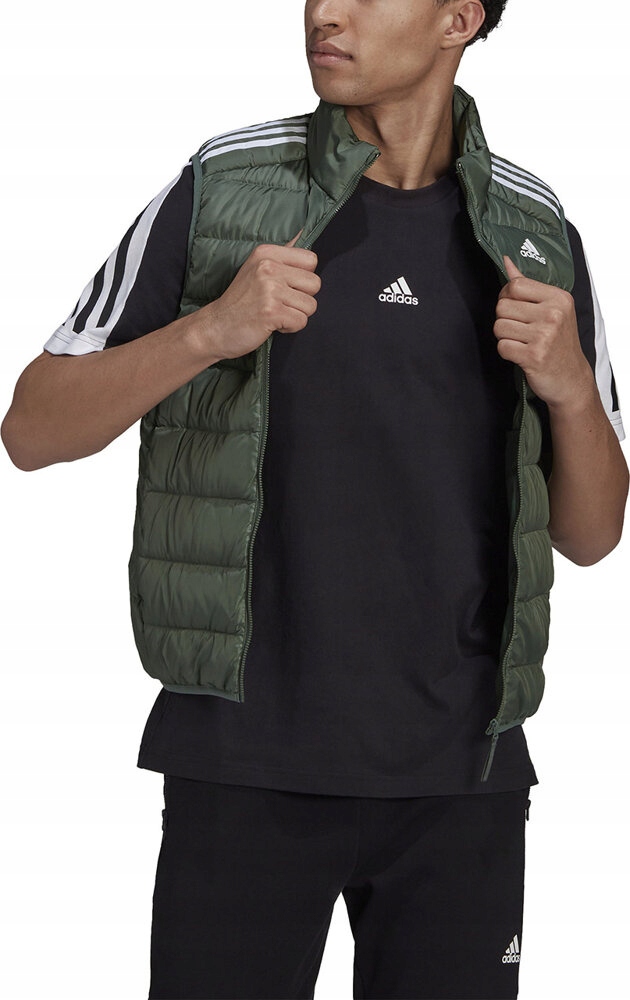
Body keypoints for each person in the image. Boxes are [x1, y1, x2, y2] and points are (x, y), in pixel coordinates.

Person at [2, 1, 628, 997]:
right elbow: (31, 429)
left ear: (458, 19)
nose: (325, 12)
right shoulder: (225, 186)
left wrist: (570, 391)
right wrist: (211, 329)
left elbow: (592, 536)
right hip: (243, 764)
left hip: (462, 780)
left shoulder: (533, 227)